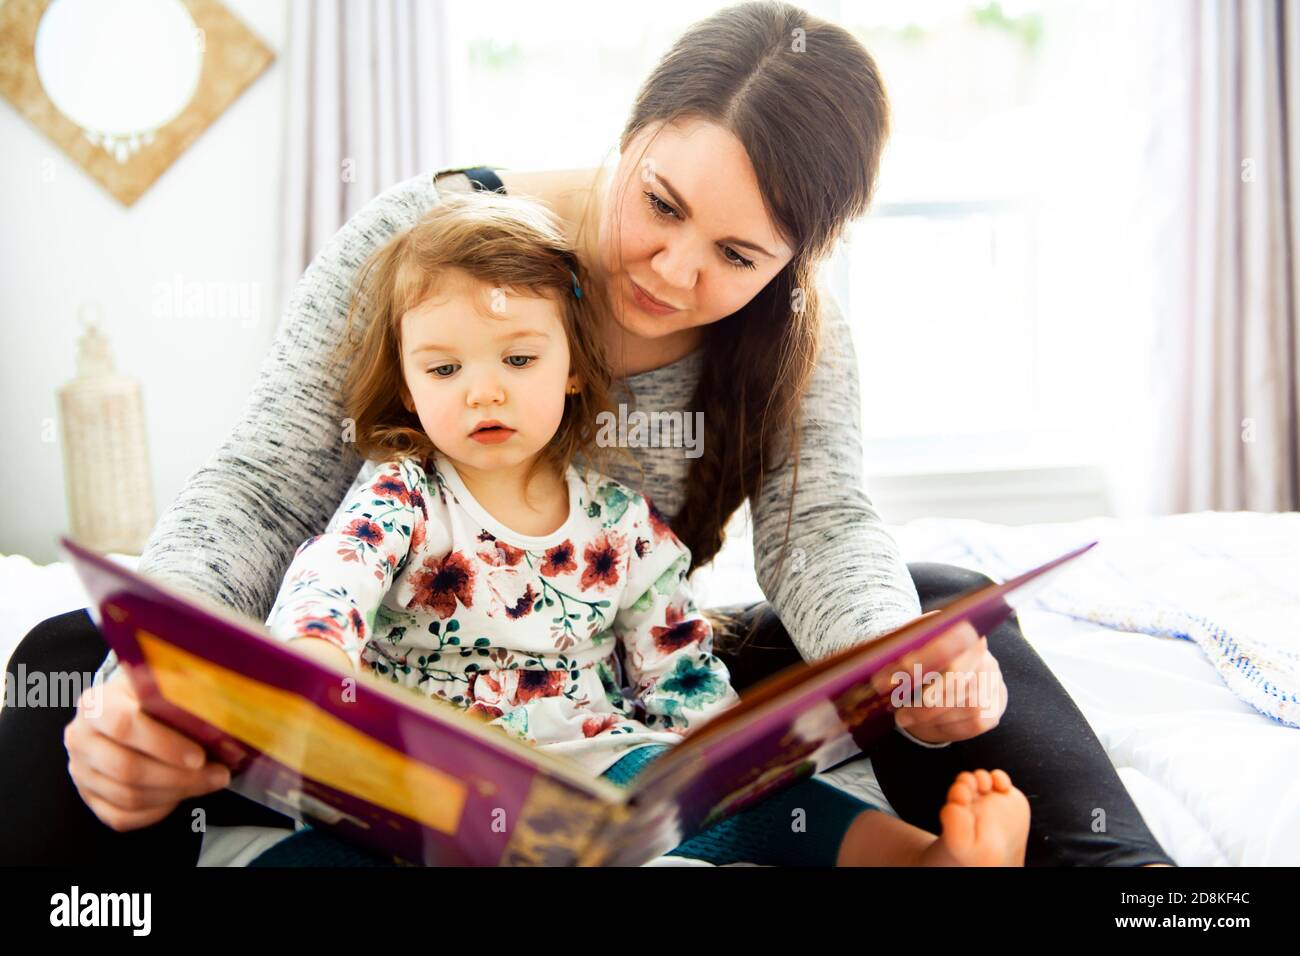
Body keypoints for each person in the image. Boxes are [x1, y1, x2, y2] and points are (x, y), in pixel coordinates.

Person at [0, 0, 1173, 866]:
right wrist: (145, 678)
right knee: (68, 658)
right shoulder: (434, 243)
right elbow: (262, 488)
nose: (673, 270)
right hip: (377, 663)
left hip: (611, 669)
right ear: (631, 128)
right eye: (660, 203)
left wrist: (899, 659)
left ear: (796, 259)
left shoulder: (798, 332)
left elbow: (820, 533)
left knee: (944, 596)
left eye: (738, 255)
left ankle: (1115, 881)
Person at [252, 187, 1032, 866]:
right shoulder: (401, 494)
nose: (482, 394)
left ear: (572, 370)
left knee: (749, 804)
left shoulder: (619, 524)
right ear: (410, 383)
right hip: (431, 772)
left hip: (592, 766)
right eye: (445, 369)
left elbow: (677, 663)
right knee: (313, 854)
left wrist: (723, 759)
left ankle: (923, 858)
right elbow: (332, 578)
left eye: (517, 361)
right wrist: (318, 655)